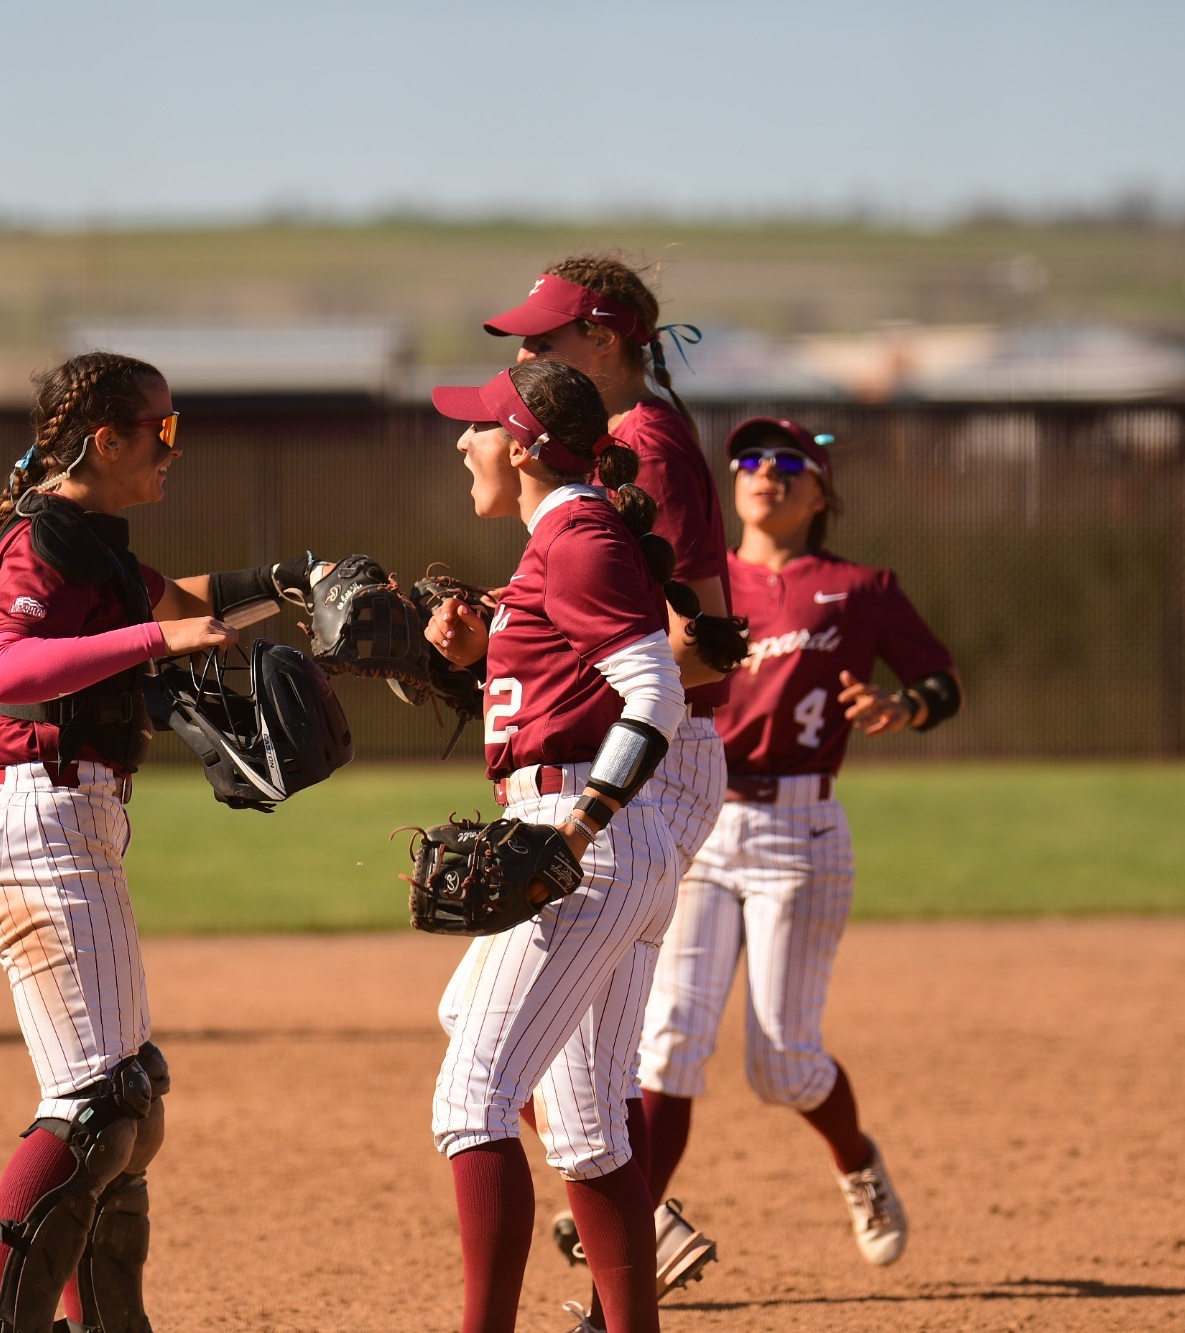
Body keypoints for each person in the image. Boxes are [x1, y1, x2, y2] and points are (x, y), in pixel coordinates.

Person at [0, 351, 324, 1333]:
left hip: (70, 815)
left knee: (128, 1095)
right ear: (104, 438)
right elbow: (12, 669)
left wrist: (294, 582)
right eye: (161, 431)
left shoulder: (89, 537)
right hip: (37, 815)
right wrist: (163, 643)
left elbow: (178, 602)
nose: (170, 449)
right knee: (96, 1100)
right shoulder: (39, 539)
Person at [634, 418, 963, 1270]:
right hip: (700, 821)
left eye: (788, 463)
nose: (763, 473)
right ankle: (632, 1228)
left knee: (781, 1064)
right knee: (670, 1036)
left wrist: (907, 707)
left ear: (820, 493)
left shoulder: (859, 587)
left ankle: (856, 1160)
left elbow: (941, 678)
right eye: (747, 459)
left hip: (801, 830)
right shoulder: (695, 581)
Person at [477, 257, 736, 1314]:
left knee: (500, 1063)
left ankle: (637, 1224)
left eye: (546, 339)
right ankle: (633, 1241)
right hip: (640, 755)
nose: (528, 356)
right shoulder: (627, 443)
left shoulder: (639, 443)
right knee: (548, 1063)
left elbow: (697, 642)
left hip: (643, 764)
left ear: (605, 337)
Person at [421, 358, 688, 1333]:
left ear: (526, 446)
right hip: (611, 839)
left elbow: (656, 692)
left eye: (480, 426)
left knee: (469, 1103)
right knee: (580, 1124)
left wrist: (577, 825)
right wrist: (470, 642)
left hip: (585, 831)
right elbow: (556, 673)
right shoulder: (563, 537)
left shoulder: (575, 534)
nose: (463, 441)